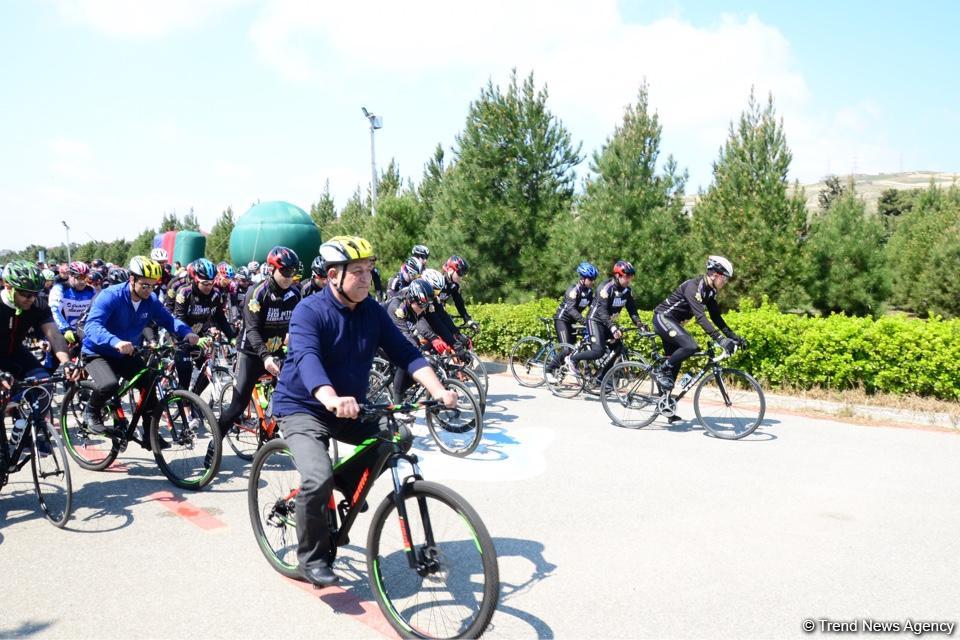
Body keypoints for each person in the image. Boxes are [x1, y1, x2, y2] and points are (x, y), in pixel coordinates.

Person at [271, 235, 456, 588]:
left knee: (397, 436)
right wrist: (329, 396)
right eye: (357, 271)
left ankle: (342, 483)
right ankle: (312, 557)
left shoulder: (372, 311)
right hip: (303, 407)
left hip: (349, 407)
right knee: (316, 477)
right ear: (332, 275)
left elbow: (406, 353)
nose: (366, 278)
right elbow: (307, 359)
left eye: (369, 270)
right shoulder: (309, 311)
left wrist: (439, 390)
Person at [80, 256, 201, 444]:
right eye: (145, 285)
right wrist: (115, 341)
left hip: (126, 353)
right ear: (132, 279)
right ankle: (90, 412)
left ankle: (149, 434)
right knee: (109, 384)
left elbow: (169, 320)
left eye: (153, 286)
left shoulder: (150, 300)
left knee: (149, 384)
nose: (149, 290)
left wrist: (187, 332)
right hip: (97, 351)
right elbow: (92, 326)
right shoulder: (111, 296)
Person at [215, 247, 301, 458]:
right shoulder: (257, 293)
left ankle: (270, 426)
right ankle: (214, 444)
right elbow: (252, 330)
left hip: (276, 351)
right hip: (252, 354)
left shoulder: (295, 294)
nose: (289, 277)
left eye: (293, 272)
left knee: (293, 392)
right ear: (272, 269)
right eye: (285, 271)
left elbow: (299, 324)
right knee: (237, 407)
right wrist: (265, 356)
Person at [652, 255, 743, 391]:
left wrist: (733, 336)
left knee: (674, 366)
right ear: (714, 275)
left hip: (674, 324)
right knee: (691, 346)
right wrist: (720, 339)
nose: (725, 282)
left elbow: (716, 317)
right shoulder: (694, 287)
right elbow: (700, 317)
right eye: (724, 278)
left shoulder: (711, 291)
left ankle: (664, 401)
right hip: (663, 318)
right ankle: (660, 369)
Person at [569, 260, 647, 385]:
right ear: (617, 275)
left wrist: (639, 324)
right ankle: (573, 359)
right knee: (598, 351)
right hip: (595, 320)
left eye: (631, 276)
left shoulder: (627, 291)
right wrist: (613, 328)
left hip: (608, 322)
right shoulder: (605, 288)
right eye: (627, 276)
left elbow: (632, 310)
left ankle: (601, 378)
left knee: (618, 348)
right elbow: (602, 312)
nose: (629, 279)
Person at [0, 260, 81, 381]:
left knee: (43, 382)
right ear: (8, 287)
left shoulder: (38, 305)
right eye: (26, 294)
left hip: (17, 353)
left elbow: (54, 335)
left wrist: (67, 363)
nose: (32, 299)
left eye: (35, 293)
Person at [173, 259, 232, 396]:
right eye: (205, 283)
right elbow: (179, 319)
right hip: (180, 335)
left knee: (207, 370)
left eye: (211, 283)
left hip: (198, 335)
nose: (209, 287)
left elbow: (220, 318)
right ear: (195, 279)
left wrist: (232, 337)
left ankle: (193, 399)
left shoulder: (215, 294)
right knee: (185, 373)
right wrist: (192, 337)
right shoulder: (184, 293)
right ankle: (184, 404)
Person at [382, 279, 436, 402]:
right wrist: (419, 352)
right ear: (411, 300)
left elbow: (423, 325)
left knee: (417, 347)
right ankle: (397, 399)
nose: (423, 309)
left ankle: (403, 389)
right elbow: (404, 334)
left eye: (425, 306)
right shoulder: (397, 307)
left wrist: (434, 339)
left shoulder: (416, 303)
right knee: (404, 357)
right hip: (379, 335)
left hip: (394, 332)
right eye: (421, 306)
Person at [546, 262, 598, 375]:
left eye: (594, 279)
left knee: (575, 350)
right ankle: (548, 370)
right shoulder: (573, 290)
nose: (593, 282)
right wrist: (584, 321)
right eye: (590, 279)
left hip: (572, 322)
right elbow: (571, 310)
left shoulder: (589, 292)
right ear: (583, 278)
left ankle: (562, 369)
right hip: (562, 320)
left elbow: (593, 309)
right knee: (566, 349)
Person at [48, 261, 95, 351]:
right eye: (79, 277)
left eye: (85, 277)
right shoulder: (59, 288)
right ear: (70, 276)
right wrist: (65, 329)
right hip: (63, 331)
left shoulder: (91, 291)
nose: (82, 281)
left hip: (83, 332)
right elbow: (54, 310)